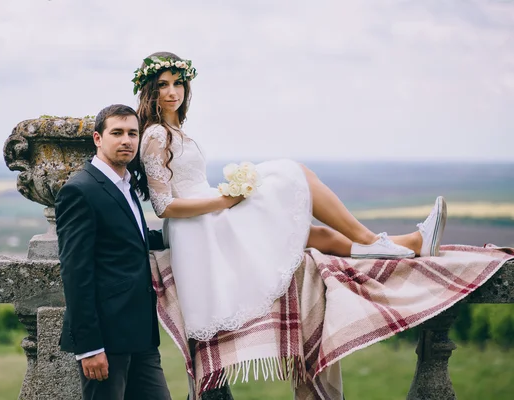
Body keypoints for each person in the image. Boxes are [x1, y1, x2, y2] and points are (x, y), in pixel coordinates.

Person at [133, 52, 447, 341]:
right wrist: (225, 201)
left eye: (178, 83)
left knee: (309, 232)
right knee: (292, 174)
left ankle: (412, 243)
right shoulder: (156, 134)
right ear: (150, 90)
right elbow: (164, 206)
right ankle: (370, 239)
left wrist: (226, 196)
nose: (173, 92)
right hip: (199, 227)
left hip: (209, 211)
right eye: (163, 85)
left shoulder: (177, 130)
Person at [55, 104, 171, 400]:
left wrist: (189, 235)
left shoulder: (126, 185)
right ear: (98, 138)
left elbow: (135, 239)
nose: (126, 140)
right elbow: (75, 273)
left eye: (133, 133)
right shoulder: (80, 190)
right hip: (105, 340)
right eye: (117, 133)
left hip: (141, 335)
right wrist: (90, 347)